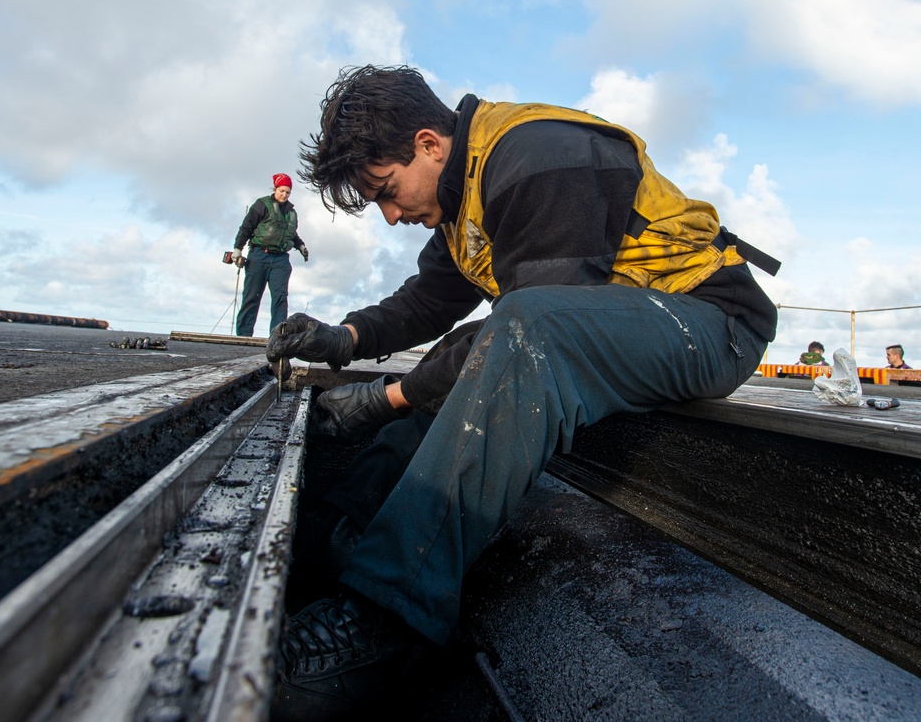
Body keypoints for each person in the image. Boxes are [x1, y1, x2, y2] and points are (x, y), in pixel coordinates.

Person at [265, 64, 780, 719]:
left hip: (711, 322)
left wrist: (383, 398)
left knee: (511, 343)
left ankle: (380, 622)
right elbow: (429, 302)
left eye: (387, 192)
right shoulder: (460, 197)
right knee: (466, 382)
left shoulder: (538, 155)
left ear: (428, 143)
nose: (391, 216)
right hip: (614, 327)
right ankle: (332, 551)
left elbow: (524, 333)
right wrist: (342, 337)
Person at [229, 173, 308, 337]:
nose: (284, 195)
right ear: (275, 189)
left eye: (287, 192)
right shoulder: (261, 205)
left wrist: (300, 246)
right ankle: (243, 337)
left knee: (280, 299)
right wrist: (238, 249)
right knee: (251, 297)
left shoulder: (292, 213)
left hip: (280, 259)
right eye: (281, 191)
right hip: (259, 255)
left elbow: (291, 234)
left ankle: (277, 338)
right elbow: (246, 227)